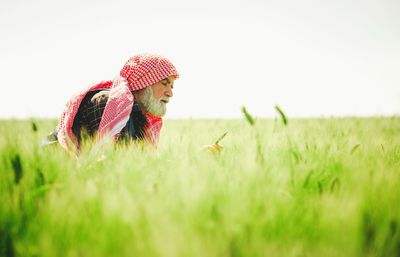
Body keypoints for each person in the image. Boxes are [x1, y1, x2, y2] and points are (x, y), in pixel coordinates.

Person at [45, 53, 179, 154]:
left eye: (171, 86)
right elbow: (108, 161)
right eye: (164, 83)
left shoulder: (140, 118)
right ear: (143, 81)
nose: (170, 93)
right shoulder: (108, 104)